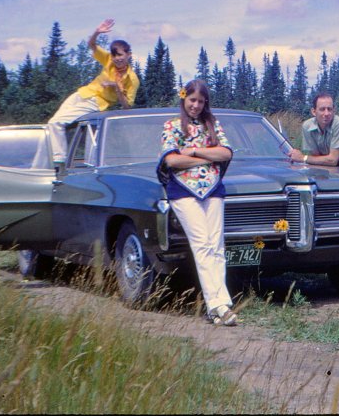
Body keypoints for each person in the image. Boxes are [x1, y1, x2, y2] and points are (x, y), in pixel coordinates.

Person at [158, 79, 237, 326]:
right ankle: (218, 305)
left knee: (216, 244)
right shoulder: (171, 126)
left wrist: (192, 152)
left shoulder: (212, 125)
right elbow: (171, 161)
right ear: (184, 99)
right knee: (202, 243)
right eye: (192, 100)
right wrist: (207, 158)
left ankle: (218, 307)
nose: (196, 105)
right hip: (182, 192)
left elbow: (226, 153)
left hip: (213, 190)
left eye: (201, 101)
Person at [48, 19, 139, 164]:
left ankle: (59, 160)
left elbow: (127, 106)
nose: (117, 59)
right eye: (115, 55)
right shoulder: (108, 60)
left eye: (120, 55)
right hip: (82, 94)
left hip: (95, 102)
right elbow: (91, 45)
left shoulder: (132, 79)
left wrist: (116, 87)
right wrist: (97, 32)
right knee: (52, 124)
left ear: (129, 55)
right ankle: (52, 157)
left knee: (56, 123)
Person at [289, 92, 339, 167]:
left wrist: (302, 157)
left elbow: (332, 161)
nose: (326, 113)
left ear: (334, 111)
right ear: (314, 112)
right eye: (322, 109)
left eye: (329, 109)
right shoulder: (307, 126)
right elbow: (317, 159)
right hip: (323, 169)